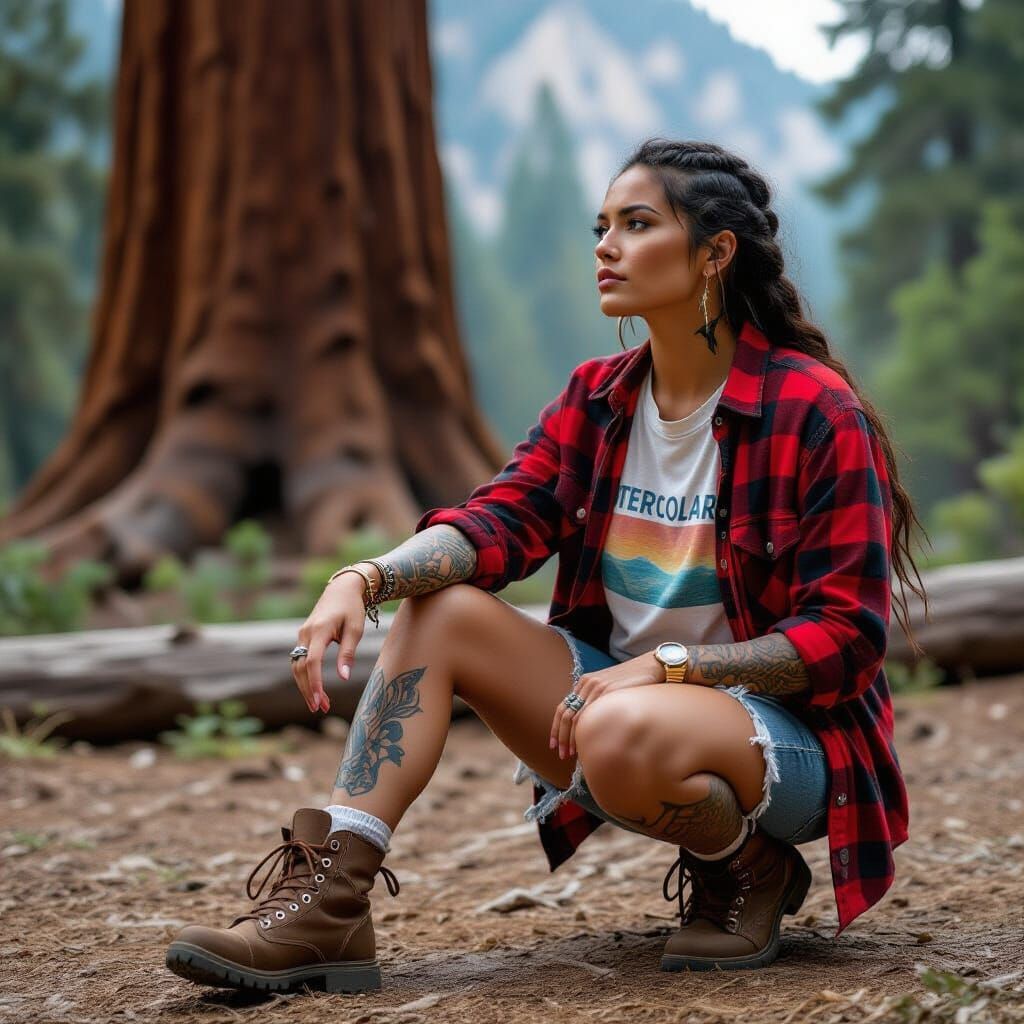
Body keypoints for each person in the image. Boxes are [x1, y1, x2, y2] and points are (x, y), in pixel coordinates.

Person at [164, 138, 928, 994]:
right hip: (614, 717)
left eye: (637, 224)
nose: (605, 246)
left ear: (716, 253)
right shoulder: (596, 400)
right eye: (601, 226)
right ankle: (333, 904)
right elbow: (497, 522)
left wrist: (672, 667)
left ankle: (750, 866)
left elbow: (845, 639)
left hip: (786, 744)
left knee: (622, 726)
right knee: (441, 609)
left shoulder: (812, 410)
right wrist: (366, 577)